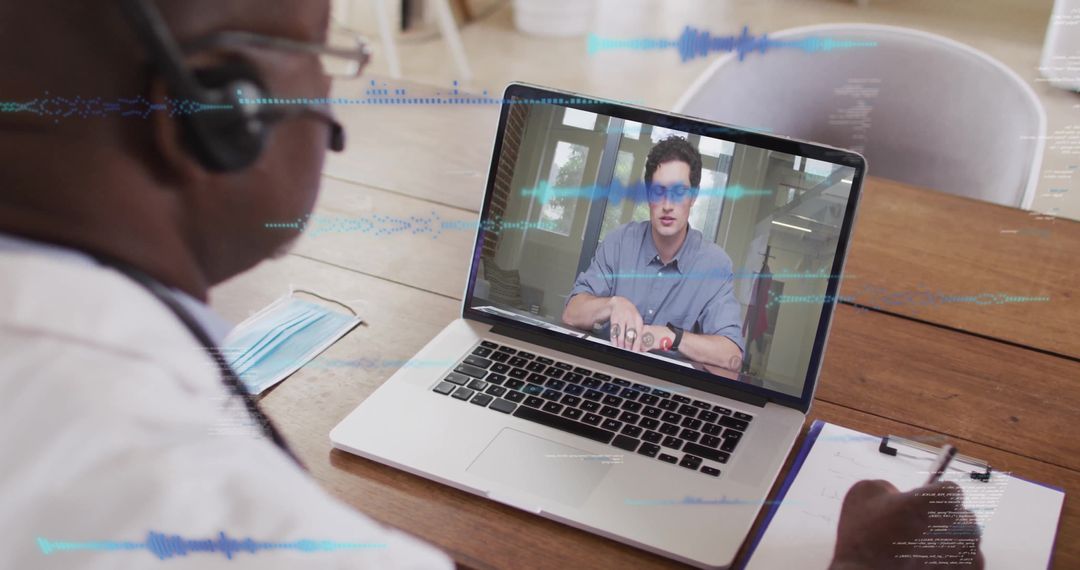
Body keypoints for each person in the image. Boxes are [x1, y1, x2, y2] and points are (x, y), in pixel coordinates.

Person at [0, 1, 982, 568]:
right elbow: (572, 310)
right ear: (222, 115)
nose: (336, 91)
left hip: (697, 405)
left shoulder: (720, 266)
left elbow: (735, 355)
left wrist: (676, 343)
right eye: (327, 52)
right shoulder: (239, 526)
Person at [562, 135, 745, 374]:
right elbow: (571, 313)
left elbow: (732, 357)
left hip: (670, 392)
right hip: (604, 376)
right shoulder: (619, 242)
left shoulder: (715, 265)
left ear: (694, 196)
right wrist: (613, 304)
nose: (668, 204)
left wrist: (671, 337)